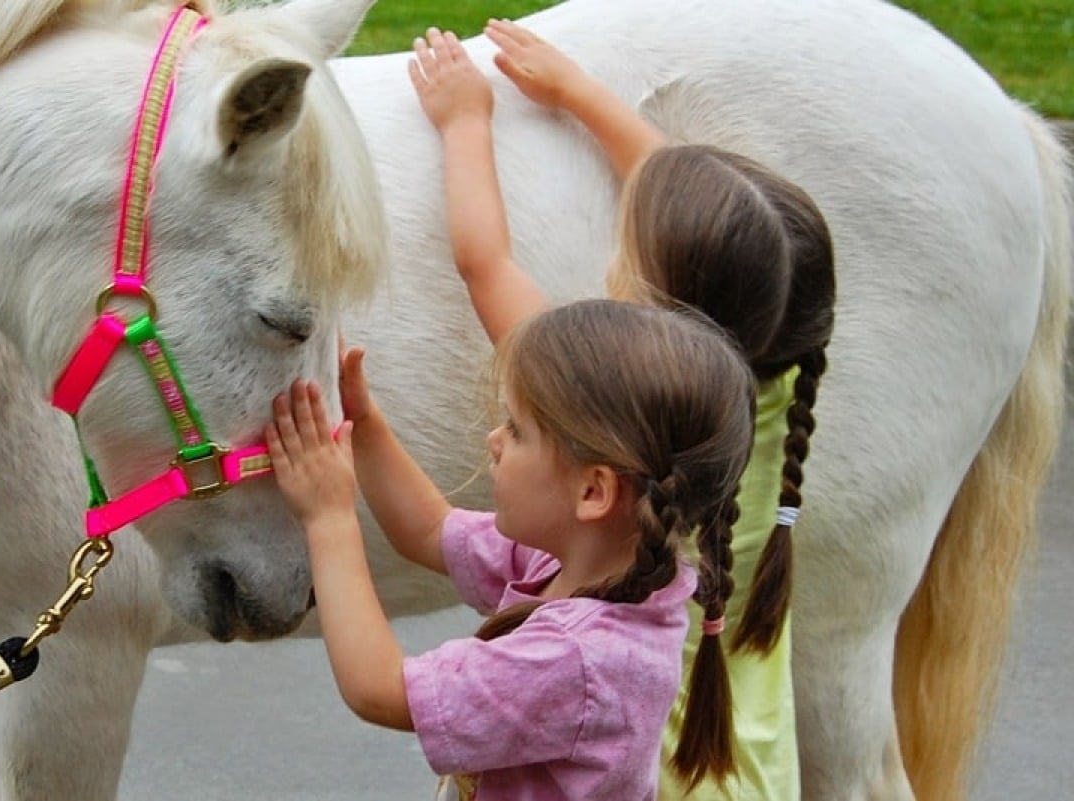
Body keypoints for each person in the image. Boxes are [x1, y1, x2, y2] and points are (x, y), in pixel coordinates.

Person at [408, 21, 836, 798]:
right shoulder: (771, 376)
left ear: (658, 304)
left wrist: (464, 121)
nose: (612, 257)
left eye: (623, 251)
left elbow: (485, 261)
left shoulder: (619, 397)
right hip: (754, 770)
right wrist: (582, 94)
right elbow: (715, 231)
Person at [265, 299, 756, 800]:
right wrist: (363, 423)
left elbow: (380, 690)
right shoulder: (592, 566)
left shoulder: (578, 661)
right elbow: (431, 530)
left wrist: (328, 518)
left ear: (593, 491)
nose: (494, 439)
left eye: (518, 430)